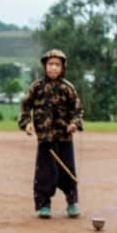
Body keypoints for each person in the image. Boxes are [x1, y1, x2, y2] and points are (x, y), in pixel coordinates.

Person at [17, 49, 84, 219]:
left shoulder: (68, 88)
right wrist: (27, 124)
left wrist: (74, 124)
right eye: (50, 64)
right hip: (45, 140)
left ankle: (72, 202)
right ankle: (44, 205)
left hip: (64, 138)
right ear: (45, 66)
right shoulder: (37, 87)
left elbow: (77, 110)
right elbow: (25, 106)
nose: (53, 68)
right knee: (45, 173)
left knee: (68, 171)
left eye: (57, 65)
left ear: (63, 68)